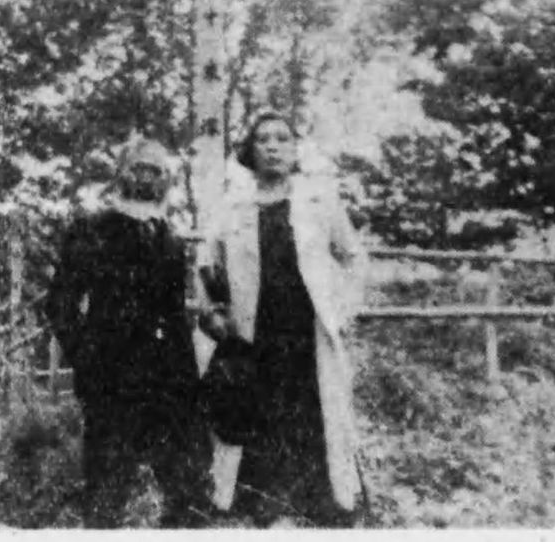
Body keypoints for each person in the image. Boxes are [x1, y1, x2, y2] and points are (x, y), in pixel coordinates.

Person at [196, 111, 369, 527]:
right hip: (254, 331)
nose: (273, 147)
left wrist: (343, 310)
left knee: (312, 410)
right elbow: (205, 263)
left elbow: (352, 257)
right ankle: (262, 502)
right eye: (263, 140)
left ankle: (323, 500)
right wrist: (212, 313)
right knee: (259, 410)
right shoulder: (232, 207)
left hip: (308, 331)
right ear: (249, 152)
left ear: (295, 149)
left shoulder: (319, 201)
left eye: (282, 139)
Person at [46, 138, 212, 528]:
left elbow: (174, 315)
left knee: (185, 492)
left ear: (166, 179)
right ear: (121, 173)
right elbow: (60, 303)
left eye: (156, 170)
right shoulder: (91, 229)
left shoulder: (170, 239)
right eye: (139, 167)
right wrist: (87, 357)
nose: (147, 177)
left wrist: (187, 379)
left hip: (168, 383)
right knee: (106, 491)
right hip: (110, 381)